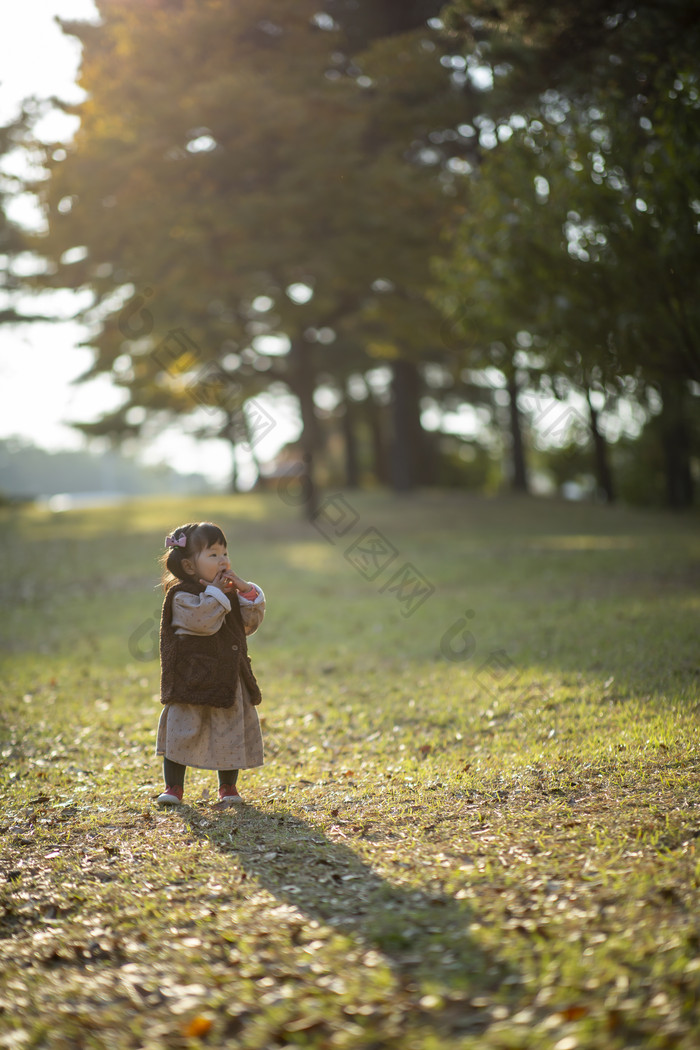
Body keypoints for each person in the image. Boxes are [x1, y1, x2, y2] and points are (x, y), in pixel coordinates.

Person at [155, 521, 265, 806]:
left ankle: (228, 787)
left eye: (225, 553)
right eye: (213, 554)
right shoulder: (181, 596)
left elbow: (248, 624)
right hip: (190, 677)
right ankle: (173, 787)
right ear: (190, 566)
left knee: (230, 731)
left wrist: (246, 593)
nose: (223, 560)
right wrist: (219, 595)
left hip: (227, 676)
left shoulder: (227, 593)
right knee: (182, 730)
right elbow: (203, 622)